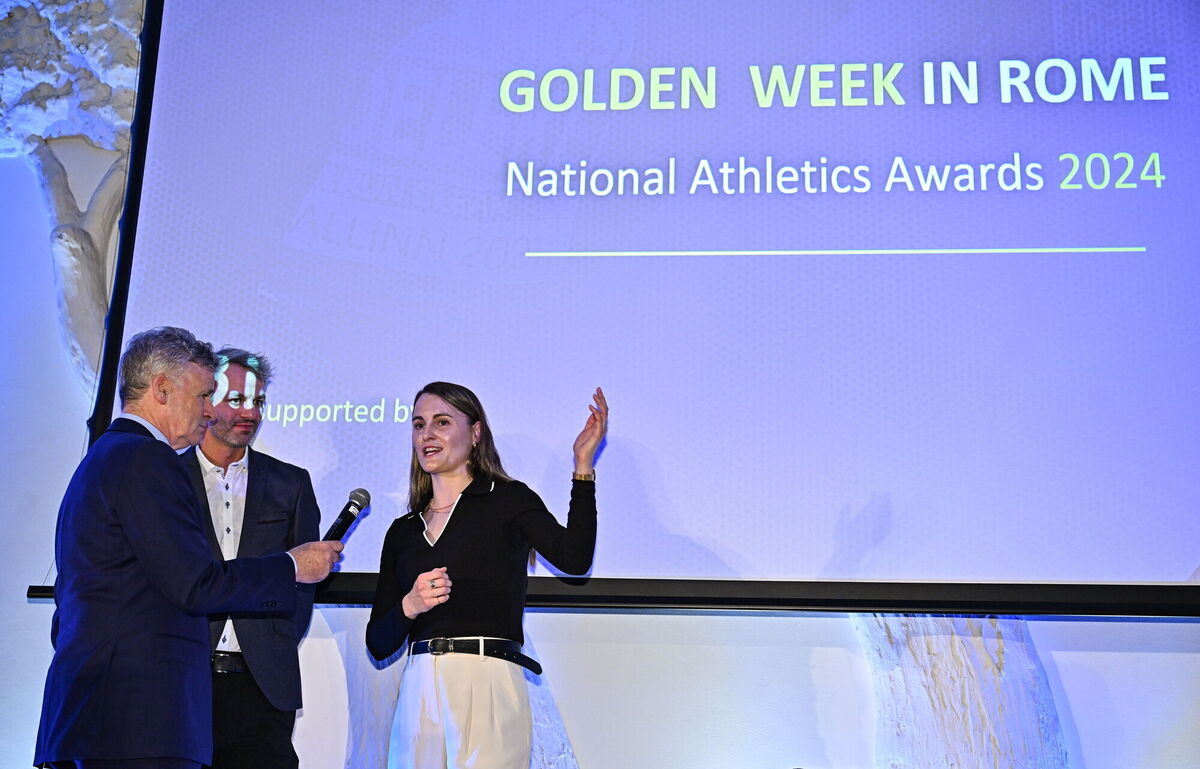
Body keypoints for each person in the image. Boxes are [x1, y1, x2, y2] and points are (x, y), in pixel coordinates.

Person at [33, 327, 342, 769]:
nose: (207, 412)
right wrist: (291, 565)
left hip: (95, 714)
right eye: (202, 396)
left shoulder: (103, 457)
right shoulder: (147, 459)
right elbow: (196, 584)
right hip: (134, 721)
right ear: (161, 389)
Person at [366, 382, 607, 769]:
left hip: (488, 677)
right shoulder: (403, 530)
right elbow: (377, 642)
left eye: (442, 422)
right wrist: (409, 605)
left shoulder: (508, 500)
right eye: (418, 424)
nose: (427, 434)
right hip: (418, 685)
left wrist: (582, 467)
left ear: (475, 433)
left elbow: (574, 560)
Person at [180, 348, 320, 769]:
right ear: (207, 400)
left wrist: (267, 645)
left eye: (258, 401)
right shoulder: (167, 477)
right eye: (237, 400)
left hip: (263, 687)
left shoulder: (290, 483)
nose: (251, 412)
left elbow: (301, 589)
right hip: (185, 679)